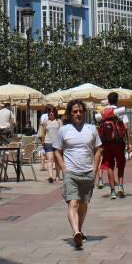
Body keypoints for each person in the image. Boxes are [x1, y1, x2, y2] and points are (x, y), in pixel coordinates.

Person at [52, 99, 102, 249]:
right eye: (75, 112)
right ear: (69, 114)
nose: (78, 114)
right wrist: (64, 169)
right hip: (71, 173)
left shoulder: (92, 129)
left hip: (87, 172)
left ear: (84, 113)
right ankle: (76, 232)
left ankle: (79, 231)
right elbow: (57, 150)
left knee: (83, 204)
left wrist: (95, 169)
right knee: (73, 202)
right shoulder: (64, 130)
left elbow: (99, 149)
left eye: (80, 111)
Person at [96, 92, 130, 199]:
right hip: (119, 142)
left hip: (107, 143)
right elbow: (126, 128)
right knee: (120, 164)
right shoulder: (120, 111)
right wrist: (129, 143)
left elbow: (99, 128)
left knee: (109, 166)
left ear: (108, 100)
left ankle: (112, 191)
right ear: (117, 100)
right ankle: (120, 185)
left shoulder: (103, 112)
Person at [40, 105, 63, 183]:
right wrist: (43, 142)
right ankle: (50, 176)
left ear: (55, 113)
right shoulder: (45, 122)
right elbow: (44, 133)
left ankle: (57, 175)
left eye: (52, 112)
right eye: (49, 112)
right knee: (50, 159)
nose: (51, 113)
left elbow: (62, 133)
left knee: (57, 160)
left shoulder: (59, 121)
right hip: (48, 142)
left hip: (57, 143)